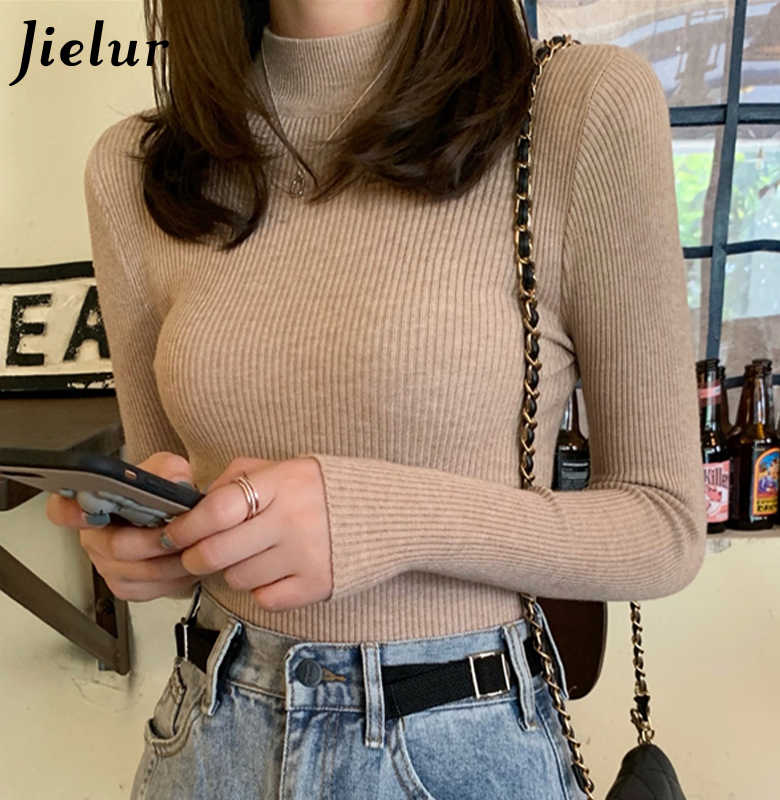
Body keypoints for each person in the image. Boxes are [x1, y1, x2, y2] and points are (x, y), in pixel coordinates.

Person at [46, 1, 707, 798]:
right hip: (211, 734)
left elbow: (664, 526)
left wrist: (378, 517)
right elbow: (173, 492)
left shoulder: (575, 106)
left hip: (459, 742)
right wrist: (148, 544)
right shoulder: (137, 168)